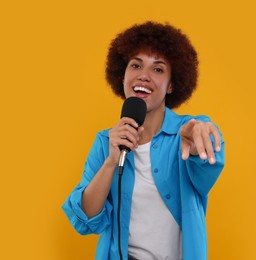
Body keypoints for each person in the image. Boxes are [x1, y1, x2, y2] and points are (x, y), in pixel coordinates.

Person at [62, 21, 225, 260]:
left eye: (158, 69)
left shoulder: (189, 131)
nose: (144, 76)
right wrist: (111, 161)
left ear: (171, 85)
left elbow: (209, 167)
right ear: (123, 74)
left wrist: (197, 147)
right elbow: (85, 219)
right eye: (135, 65)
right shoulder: (106, 141)